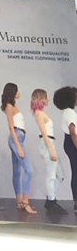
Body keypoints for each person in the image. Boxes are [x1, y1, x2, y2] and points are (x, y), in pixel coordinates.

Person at [2, 81, 35, 215]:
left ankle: (19, 201)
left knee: (17, 171)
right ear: (13, 93)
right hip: (16, 138)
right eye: (17, 91)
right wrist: (19, 146)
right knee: (29, 170)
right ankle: (25, 202)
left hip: (19, 138)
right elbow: (11, 127)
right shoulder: (9, 107)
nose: (19, 93)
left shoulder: (12, 106)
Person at [31, 87, 66, 214]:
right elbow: (44, 133)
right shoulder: (39, 114)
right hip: (47, 143)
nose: (48, 99)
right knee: (51, 176)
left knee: (60, 176)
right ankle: (51, 201)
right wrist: (51, 149)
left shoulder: (41, 113)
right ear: (41, 98)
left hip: (50, 143)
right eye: (45, 97)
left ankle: (50, 199)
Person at [53, 85, 77, 213]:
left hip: (69, 142)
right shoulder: (71, 113)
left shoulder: (67, 112)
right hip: (72, 142)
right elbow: (73, 132)